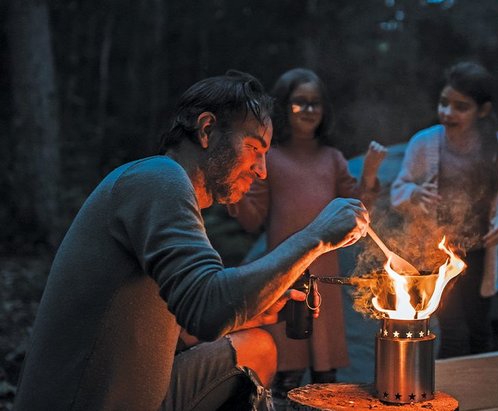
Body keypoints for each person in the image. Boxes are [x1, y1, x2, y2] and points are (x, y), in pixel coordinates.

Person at [14, 70, 371, 410]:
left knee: (258, 347)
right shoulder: (157, 179)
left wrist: (252, 313)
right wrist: (316, 236)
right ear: (207, 130)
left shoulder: (170, 191)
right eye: (253, 148)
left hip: (147, 394)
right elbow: (205, 309)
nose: (262, 170)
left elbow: (180, 332)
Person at [226, 68, 388, 396]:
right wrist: (234, 187)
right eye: (299, 103)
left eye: (316, 103)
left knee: (324, 369)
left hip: (324, 278)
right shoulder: (269, 157)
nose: (309, 110)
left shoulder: (332, 158)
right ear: (284, 108)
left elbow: (356, 210)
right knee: (285, 364)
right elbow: (252, 219)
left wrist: (369, 175)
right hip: (283, 275)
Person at [391, 61, 498, 358]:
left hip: (478, 252)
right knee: (452, 331)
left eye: (460, 107)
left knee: (479, 329)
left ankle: (480, 397)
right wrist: (415, 193)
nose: (448, 113)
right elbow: (398, 190)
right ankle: (446, 400)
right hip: (434, 252)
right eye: (444, 103)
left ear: (483, 111)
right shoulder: (424, 143)